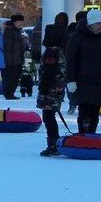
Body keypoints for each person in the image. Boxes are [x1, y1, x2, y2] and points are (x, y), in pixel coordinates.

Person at [65, 9, 101, 134]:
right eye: (97, 23)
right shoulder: (77, 36)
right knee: (84, 112)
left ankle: (91, 137)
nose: (100, 26)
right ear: (90, 23)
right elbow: (71, 59)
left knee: (95, 113)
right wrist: (71, 80)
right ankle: (83, 136)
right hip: (83, 80)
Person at [37, 17, 69, 157]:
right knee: (51, 116)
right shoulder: (61, 51)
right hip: (57, 89)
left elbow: (48, 74)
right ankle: (53, 142)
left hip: (50, 89)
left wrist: (43, 90)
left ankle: (53, 143)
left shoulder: (51, 52)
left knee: (48, 117)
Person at [65, 11, 87, 114]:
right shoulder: (86, 31)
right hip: (84, 63)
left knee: (71, 83)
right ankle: (81, 104)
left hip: (71, 61)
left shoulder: (70, 30)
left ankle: (72, 103)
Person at [2, 14, 25, 100]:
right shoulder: (9, 31)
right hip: (12, 60)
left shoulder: (17, 31)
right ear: (14, 22)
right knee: (12, 77)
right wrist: (9, 60)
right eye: (19, 22)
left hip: (17, 59)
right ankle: (9, 93)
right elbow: (7, 47)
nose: (20, 24)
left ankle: (10, 93)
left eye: (21, 22)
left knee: (15, 77)